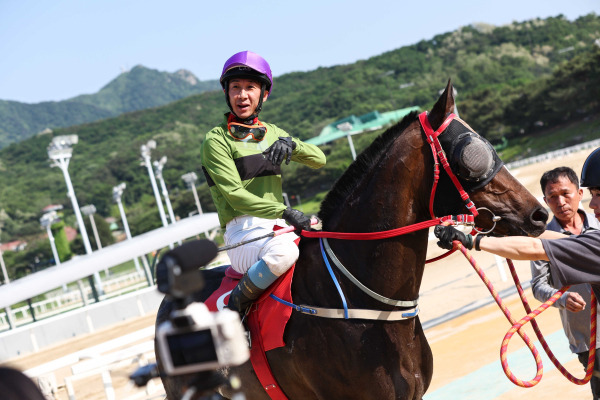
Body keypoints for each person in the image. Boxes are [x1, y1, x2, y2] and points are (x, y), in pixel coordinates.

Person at [201, 51, 326, 318]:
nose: (242, 95)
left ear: (263, 94)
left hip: (278, 226)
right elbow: (235, 196)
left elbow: (319, 160)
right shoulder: (216, 140)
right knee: (283, 254)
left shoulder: (273, 132)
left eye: (250, 88)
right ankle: (232, 309)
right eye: (235, 87)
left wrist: (292, 144)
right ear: (227, 92)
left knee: (330, 239)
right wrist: (283, 211)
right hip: (243, 234)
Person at [531, 166, 600, 398]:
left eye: (565, 193)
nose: (560, 202)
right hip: (589, 337)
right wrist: (561, 298)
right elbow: (538, 285)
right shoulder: (542, 240)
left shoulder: (599, 223)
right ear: (545, 201)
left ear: (580, 193)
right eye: (552, 197)